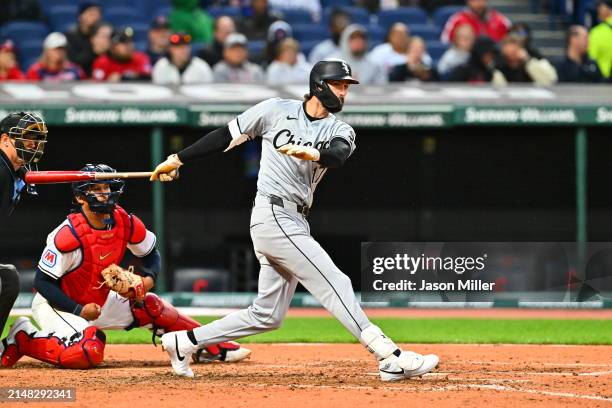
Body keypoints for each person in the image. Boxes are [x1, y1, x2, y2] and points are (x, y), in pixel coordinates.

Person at [150, 58, 440, 380]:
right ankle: (390, 356)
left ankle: (184, 342)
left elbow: (338, 155)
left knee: (267, 315)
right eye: (338, 85)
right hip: (272, 214)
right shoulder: (274, 110)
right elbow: (225, 136)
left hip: (296, 218)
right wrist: (177, 159)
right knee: (335, 281)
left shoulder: (339, 129)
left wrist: (314, 153)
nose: (343, 93)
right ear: (318, 85)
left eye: (346, 87)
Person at [0, 164, 251, 369]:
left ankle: (210, 346)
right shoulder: (68, 235)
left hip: (98, 301)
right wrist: (78, 309)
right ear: (79, 197)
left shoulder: (124, 222)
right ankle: (22, 338)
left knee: (150, 305)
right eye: (96, 189)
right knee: (87, 353)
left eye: (107, 187)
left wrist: (148, 278)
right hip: (58, 306)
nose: (104, 193)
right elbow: (42, 284)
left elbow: (151, 254)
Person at [0, 112, 48, 357]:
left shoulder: (13, 170)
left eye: (37, 138)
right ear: (5, 140)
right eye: (28, 137)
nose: (33, 143)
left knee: (8, 278)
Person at [441, 0, 511, 44]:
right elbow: (445, 42)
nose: (479, 3)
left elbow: (512, 40)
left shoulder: (500, 20)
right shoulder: (457, 19)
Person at [65, 2, 103, 76]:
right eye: (91, 14)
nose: (95, 17)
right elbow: (73, 63)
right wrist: (93, 50)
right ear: (80, 16)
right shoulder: (71, 36)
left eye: (98, 14)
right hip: (79, 78)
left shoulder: (104, 35)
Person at [588, 0, 612, 79]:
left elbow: (591, 57)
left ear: (609, 9)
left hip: (603, 79)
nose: (597, 9)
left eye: (600, 7)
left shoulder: (596, 32)